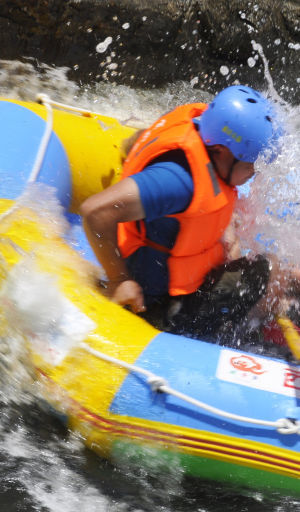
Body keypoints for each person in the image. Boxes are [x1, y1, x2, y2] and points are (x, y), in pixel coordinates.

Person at [79, 85, 281, 337]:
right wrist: (119, 280)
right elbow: (95, 212)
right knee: (267, 270)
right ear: (220, 151)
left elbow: (134, 143)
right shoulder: (178, 182)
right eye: (251, 165)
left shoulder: (202, 136)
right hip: (157, 301)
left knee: (249, 255)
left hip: (177, 274)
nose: (255, 172)